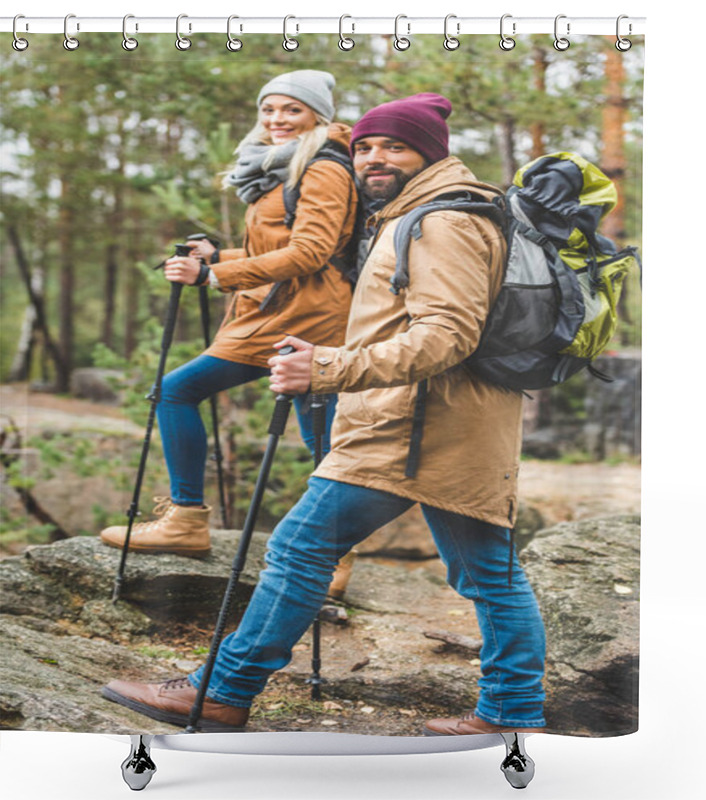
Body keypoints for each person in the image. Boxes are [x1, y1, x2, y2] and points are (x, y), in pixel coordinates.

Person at [102, 93, 547, 736]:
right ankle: (511, 711)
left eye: (394, 145)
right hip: (454, 423)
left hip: (413, 426)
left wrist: (330, 369)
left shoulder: (443, 221)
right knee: (489, 574)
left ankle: (223, 691)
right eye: (364, 146)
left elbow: (447, 334)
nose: (374, 158)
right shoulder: (418, 213)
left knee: (300, 548)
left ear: (430, 152)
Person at [99, 70, 359, 565]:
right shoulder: (283, 164)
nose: (277, 119)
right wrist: (219, 256)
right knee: (179, 391)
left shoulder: (324, 168)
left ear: (316, 115)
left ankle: (332, 556)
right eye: (269, 109)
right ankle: (187, 521)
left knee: (319, 438)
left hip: (311, 318)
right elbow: (278, 245)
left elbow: (310, 253)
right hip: (274, 310)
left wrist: (212, 277)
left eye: (291, 110)